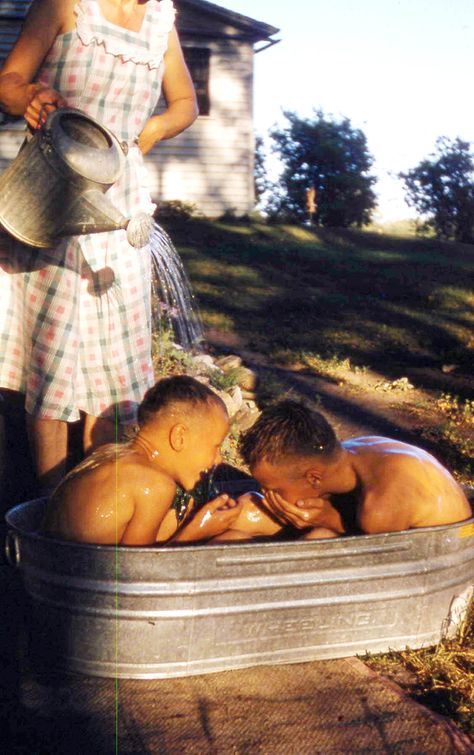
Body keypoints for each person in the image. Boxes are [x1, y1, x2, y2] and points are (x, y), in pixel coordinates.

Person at [0, 0, 198, 493]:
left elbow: (185, 104)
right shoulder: (66, 6)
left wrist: (150, 132)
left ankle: (95, 504)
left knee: (117, 361)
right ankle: (48, 508)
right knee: (54, 356)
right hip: (54, 192)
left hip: (123, 203)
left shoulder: (160, 23)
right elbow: (8, 81)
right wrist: (27, 95)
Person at [212, 400, 471, 542]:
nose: (266, 494)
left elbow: (382, 553)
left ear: (313, 477)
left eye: (273, 489)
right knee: (247, 511)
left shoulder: (380, 506)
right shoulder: (342, 457)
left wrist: (324, 518)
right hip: (384, 523)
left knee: (318, 539)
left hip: (446, 546)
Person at [43, 375, 243, 545]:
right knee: (234, 537)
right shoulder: (154, 485)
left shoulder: (108, 453)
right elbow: (138, 574)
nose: (218, 460)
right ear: (179, 437)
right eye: (216, 446)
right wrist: (197, 530)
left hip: (49, 561)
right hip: (80, 581)